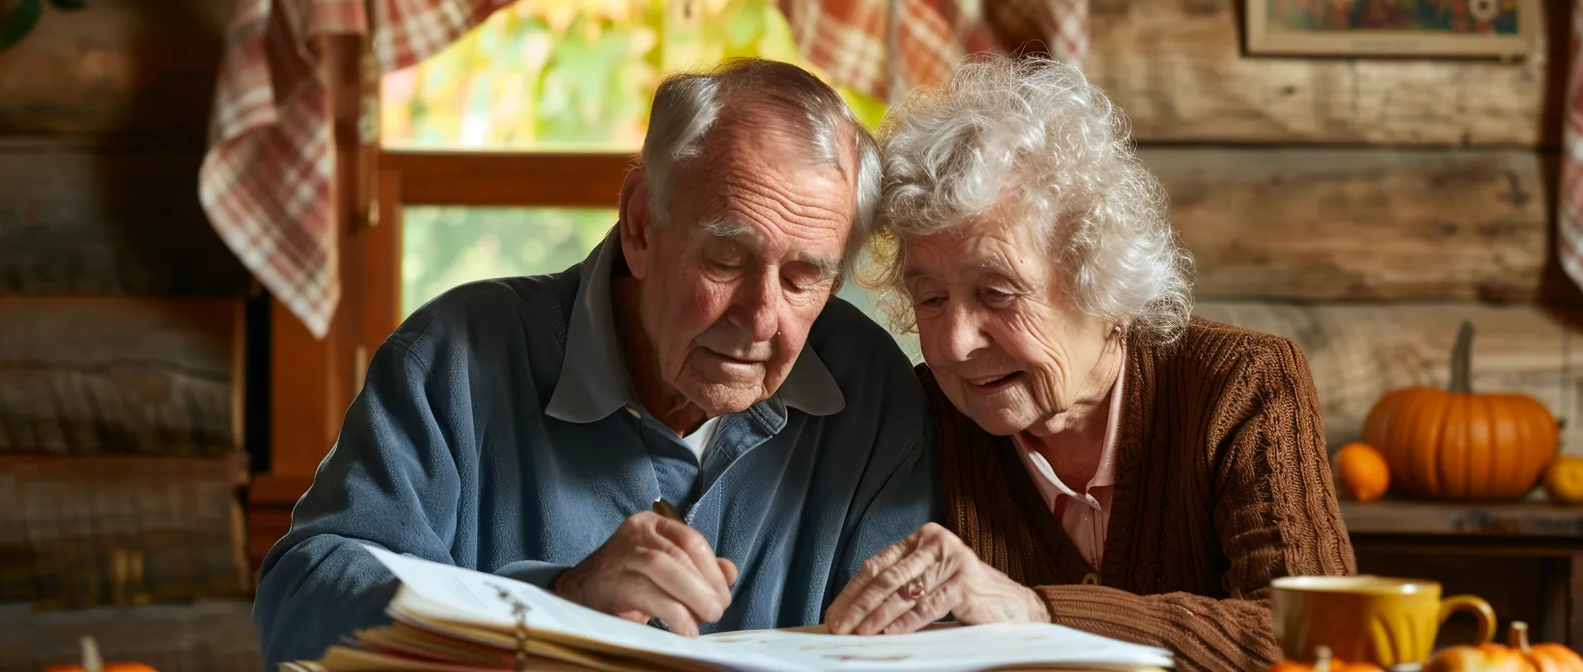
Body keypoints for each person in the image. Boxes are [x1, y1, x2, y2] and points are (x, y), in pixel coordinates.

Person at [253, 58, 934, 668]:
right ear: (641, 224)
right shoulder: (455, 357)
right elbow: (301, 606)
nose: (760, 318)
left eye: (803, 278)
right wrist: (560, 601)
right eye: (727, 258)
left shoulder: (870, 390)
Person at [822, 54, 1355, 670]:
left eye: (996, 293)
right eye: (931, 299)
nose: (951, 344)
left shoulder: (1242, 384)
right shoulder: (921, 418)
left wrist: (1041, 613)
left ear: (1099, 277)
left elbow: (1321, 637)